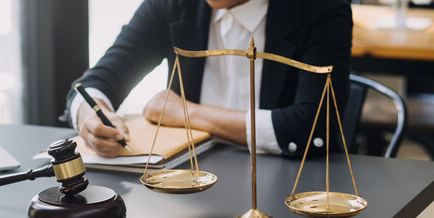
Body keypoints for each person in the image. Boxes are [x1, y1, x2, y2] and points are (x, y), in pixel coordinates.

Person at [63, 0, 353, 158]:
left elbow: (315, 125)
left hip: (291, 185)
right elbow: (96, 82)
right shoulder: (174, 5)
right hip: (191, 186)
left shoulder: (322, 8)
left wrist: (188, 113)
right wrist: (91, 118)